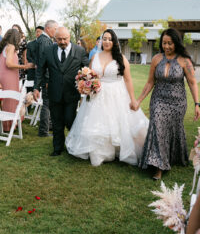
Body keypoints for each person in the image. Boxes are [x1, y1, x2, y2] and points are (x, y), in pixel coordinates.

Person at [66, 29, 149, 166]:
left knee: (116, 122)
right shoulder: (95, 57)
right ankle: (101, 152)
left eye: (110, 39)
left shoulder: (121, 58)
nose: (107, 41)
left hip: (117, 94)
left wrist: (133, 99)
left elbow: (128, 80)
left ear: (115, 42)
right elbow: (90, 75)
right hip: (97, 95)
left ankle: (118, 149)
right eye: (104, 38)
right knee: (97, 123)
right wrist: (86, 85)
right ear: (101, 40)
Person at [137, 28, 200, 180]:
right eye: (164, 43)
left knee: (171, 130)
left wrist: (197, 103)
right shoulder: (156, 59)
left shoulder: (185, 60)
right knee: (158, 126)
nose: (167, 46)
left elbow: (192, 82)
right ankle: (159, 166)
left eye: (170, 43)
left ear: (176, 43)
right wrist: (139, 100)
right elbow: (150, 82)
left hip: (178, 103)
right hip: (158, 99)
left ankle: (173, 157)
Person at [34, 27, 89, 156]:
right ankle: (57, 148)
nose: (63, 41)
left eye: (65, 39)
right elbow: (40, 70)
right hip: (54, 93)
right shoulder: (48, 51)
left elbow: (87, 69)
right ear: (55, 39)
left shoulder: (79, 51)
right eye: (59, 39)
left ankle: (74, 145)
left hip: (71, 94)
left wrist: (89, 84)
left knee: (70, 120)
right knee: (57, 122)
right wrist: (36, 87)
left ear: (70, 37)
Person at [0, 29, 33, 131]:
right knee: (11, 99)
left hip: (5, 75)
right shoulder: (11, 46)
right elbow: (9, 64)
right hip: (9, 76)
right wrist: (24, 66)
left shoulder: (4, 47)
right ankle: (9, 126)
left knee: (7, 100)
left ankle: (7, 125)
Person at [34, 20, 58, 137]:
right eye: (55, 29)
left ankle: (49, 126)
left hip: (45, 77)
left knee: (49, 103)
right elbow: (45, 63)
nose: (56, 31)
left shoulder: (44, 40)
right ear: (48, 28)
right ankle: (43, 131)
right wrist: (48, 80)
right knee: (47, 104)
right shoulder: (45, 41)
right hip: (47, 78)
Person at [26, 26, 44, 91]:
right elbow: (28, 56)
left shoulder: (47, 43)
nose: (38, 33)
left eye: (40, 32)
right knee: (30, 91)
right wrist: (36, 64)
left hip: (43, 72)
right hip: (32, 71)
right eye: (37, 32)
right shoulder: (30, 44)